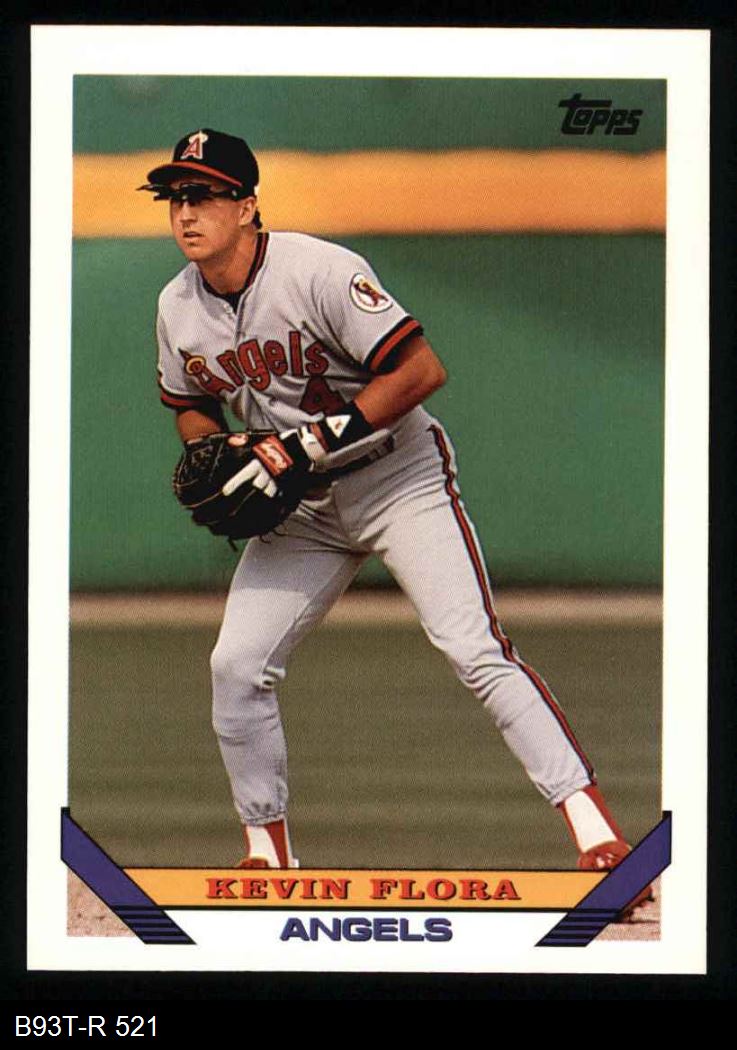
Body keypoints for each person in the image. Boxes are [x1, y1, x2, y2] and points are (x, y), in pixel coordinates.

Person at [141, 128, 649, 908]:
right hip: (302, 507)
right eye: (176, 197)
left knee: (473, 648)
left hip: (396, 477)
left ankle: (596, 834)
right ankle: (267, 856)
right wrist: (217, 449)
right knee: (236, 667)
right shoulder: (176, 306)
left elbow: (419, 370)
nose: (186, 212)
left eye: (203, 195)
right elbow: (189, 403)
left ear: (246, 206)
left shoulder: (319, 270)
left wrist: (307, 442)